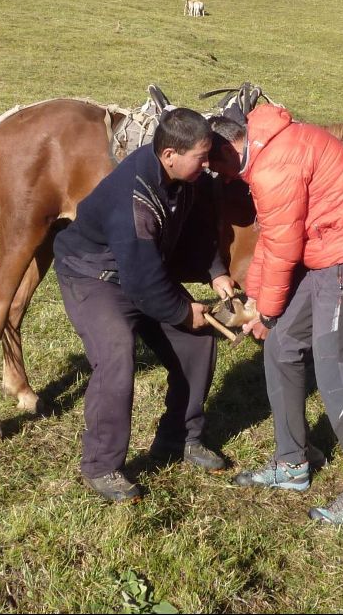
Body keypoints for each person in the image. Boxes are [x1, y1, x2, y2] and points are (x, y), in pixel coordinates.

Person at [208, 104, 343, 527]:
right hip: (326, 252)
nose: (219, 177)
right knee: (281, 346)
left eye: (215, 166)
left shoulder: (274, 167)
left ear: (228, 149)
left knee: (334, 374)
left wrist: (265, 312)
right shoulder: (265, 147)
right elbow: (273, 240)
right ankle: (292, 463)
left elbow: (284, 247)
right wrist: (258, 303)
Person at [53, 107, 237, 502]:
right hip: (93, 277)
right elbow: (141, 280)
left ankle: (179, 437)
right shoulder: (133, 200)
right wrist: (183, 311)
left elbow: (198, 229)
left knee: (197, 342)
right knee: (117, 352)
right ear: (170, 154)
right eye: (201, 157)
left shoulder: (186, 179)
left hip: (141, 269)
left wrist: (216, 272)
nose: (208, 165)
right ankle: (102, 465)